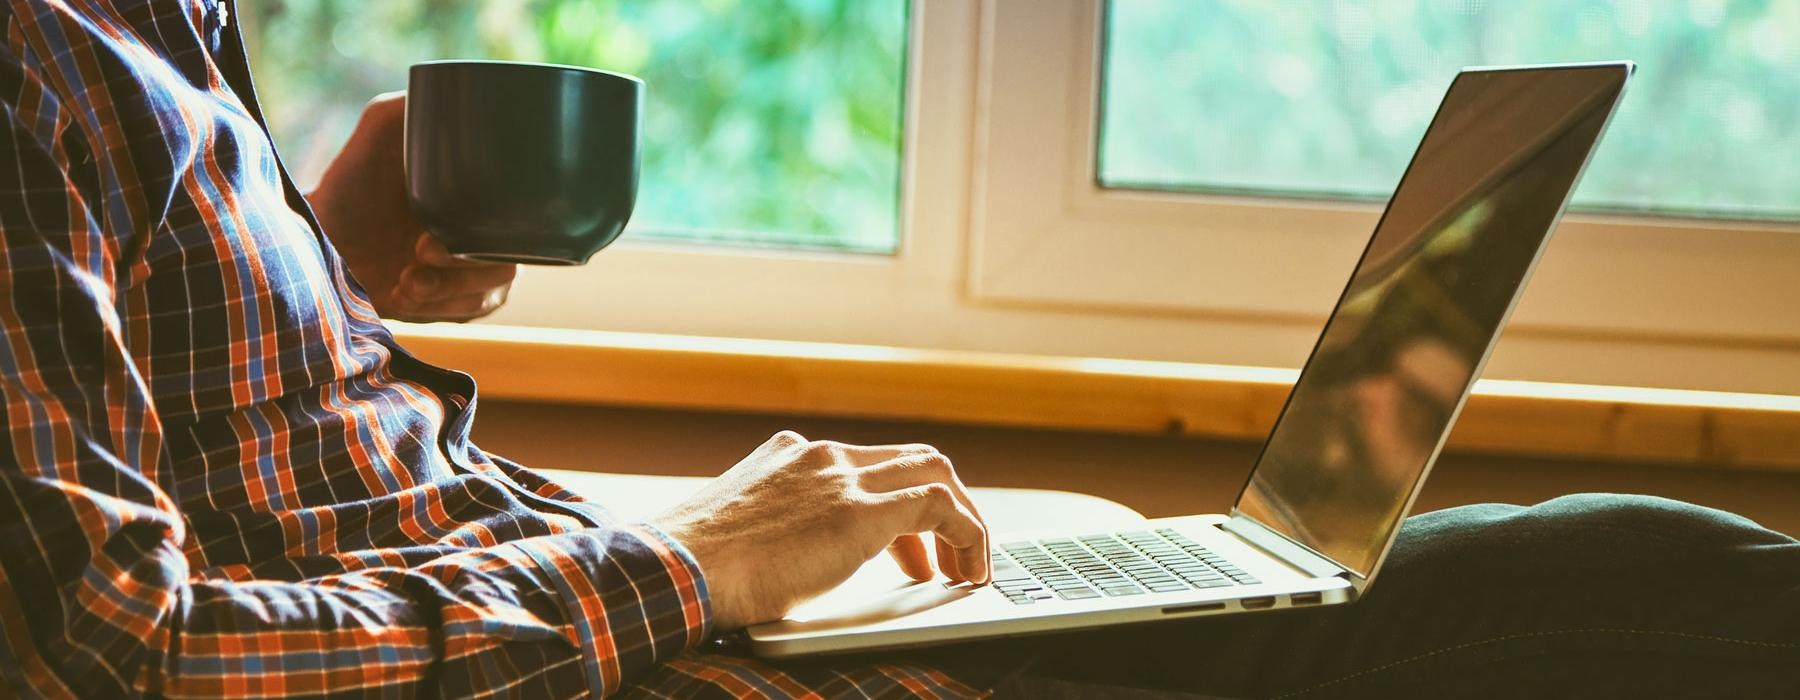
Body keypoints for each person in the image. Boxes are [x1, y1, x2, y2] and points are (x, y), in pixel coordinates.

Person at [1, 2, 1794, 698]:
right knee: (1630, 599)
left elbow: (211, 465)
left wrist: (332, 281)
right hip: (635, 651)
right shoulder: (32, 57)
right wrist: (684, 566)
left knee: (1621, 562)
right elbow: (116, 650)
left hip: (617, 610)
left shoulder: (172, 18)